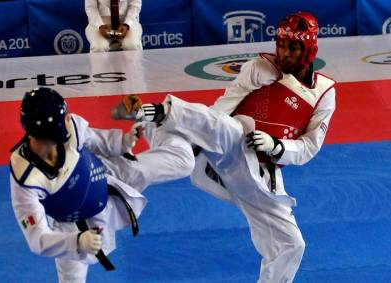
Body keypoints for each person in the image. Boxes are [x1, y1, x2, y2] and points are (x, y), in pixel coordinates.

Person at [112, 11, 336, 282]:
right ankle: (155, 115)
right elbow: (224, 107)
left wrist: (277, 146)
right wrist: (199, 135)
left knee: (291, 244)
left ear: (309, 49)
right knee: (231, 128)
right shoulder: (260, 67)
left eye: (293, 47)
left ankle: (155, 130)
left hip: (258, 175)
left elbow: (309, 147)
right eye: (281, 45)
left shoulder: (324, 93)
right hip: (220, 153)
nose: (284, 53)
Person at [10, 87, 194, 283]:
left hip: (109, 175)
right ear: (52, 127)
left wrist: (123, 142)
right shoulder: (26, 179)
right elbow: (37, 239)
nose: (69, 116)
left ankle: (155, 123)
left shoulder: (71, 128)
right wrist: (78, 242)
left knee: (184, 161)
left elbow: (95, 140)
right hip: (73, 227)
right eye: (64, 115)